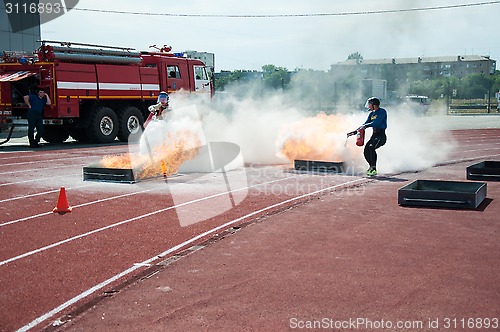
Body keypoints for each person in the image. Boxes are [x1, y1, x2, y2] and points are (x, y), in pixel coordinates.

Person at [347, 97, 387, 176]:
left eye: (369, 104)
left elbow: (376, 122)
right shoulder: (371, 114)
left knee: (371, 147)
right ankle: (371, 167)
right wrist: (355, 132)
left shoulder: (382, 112)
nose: (368, 106)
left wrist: (365, 126)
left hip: (380, 136)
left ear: (374, 105)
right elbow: (364, 124)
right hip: (374, 135)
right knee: (366, 151)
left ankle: (374, 168)